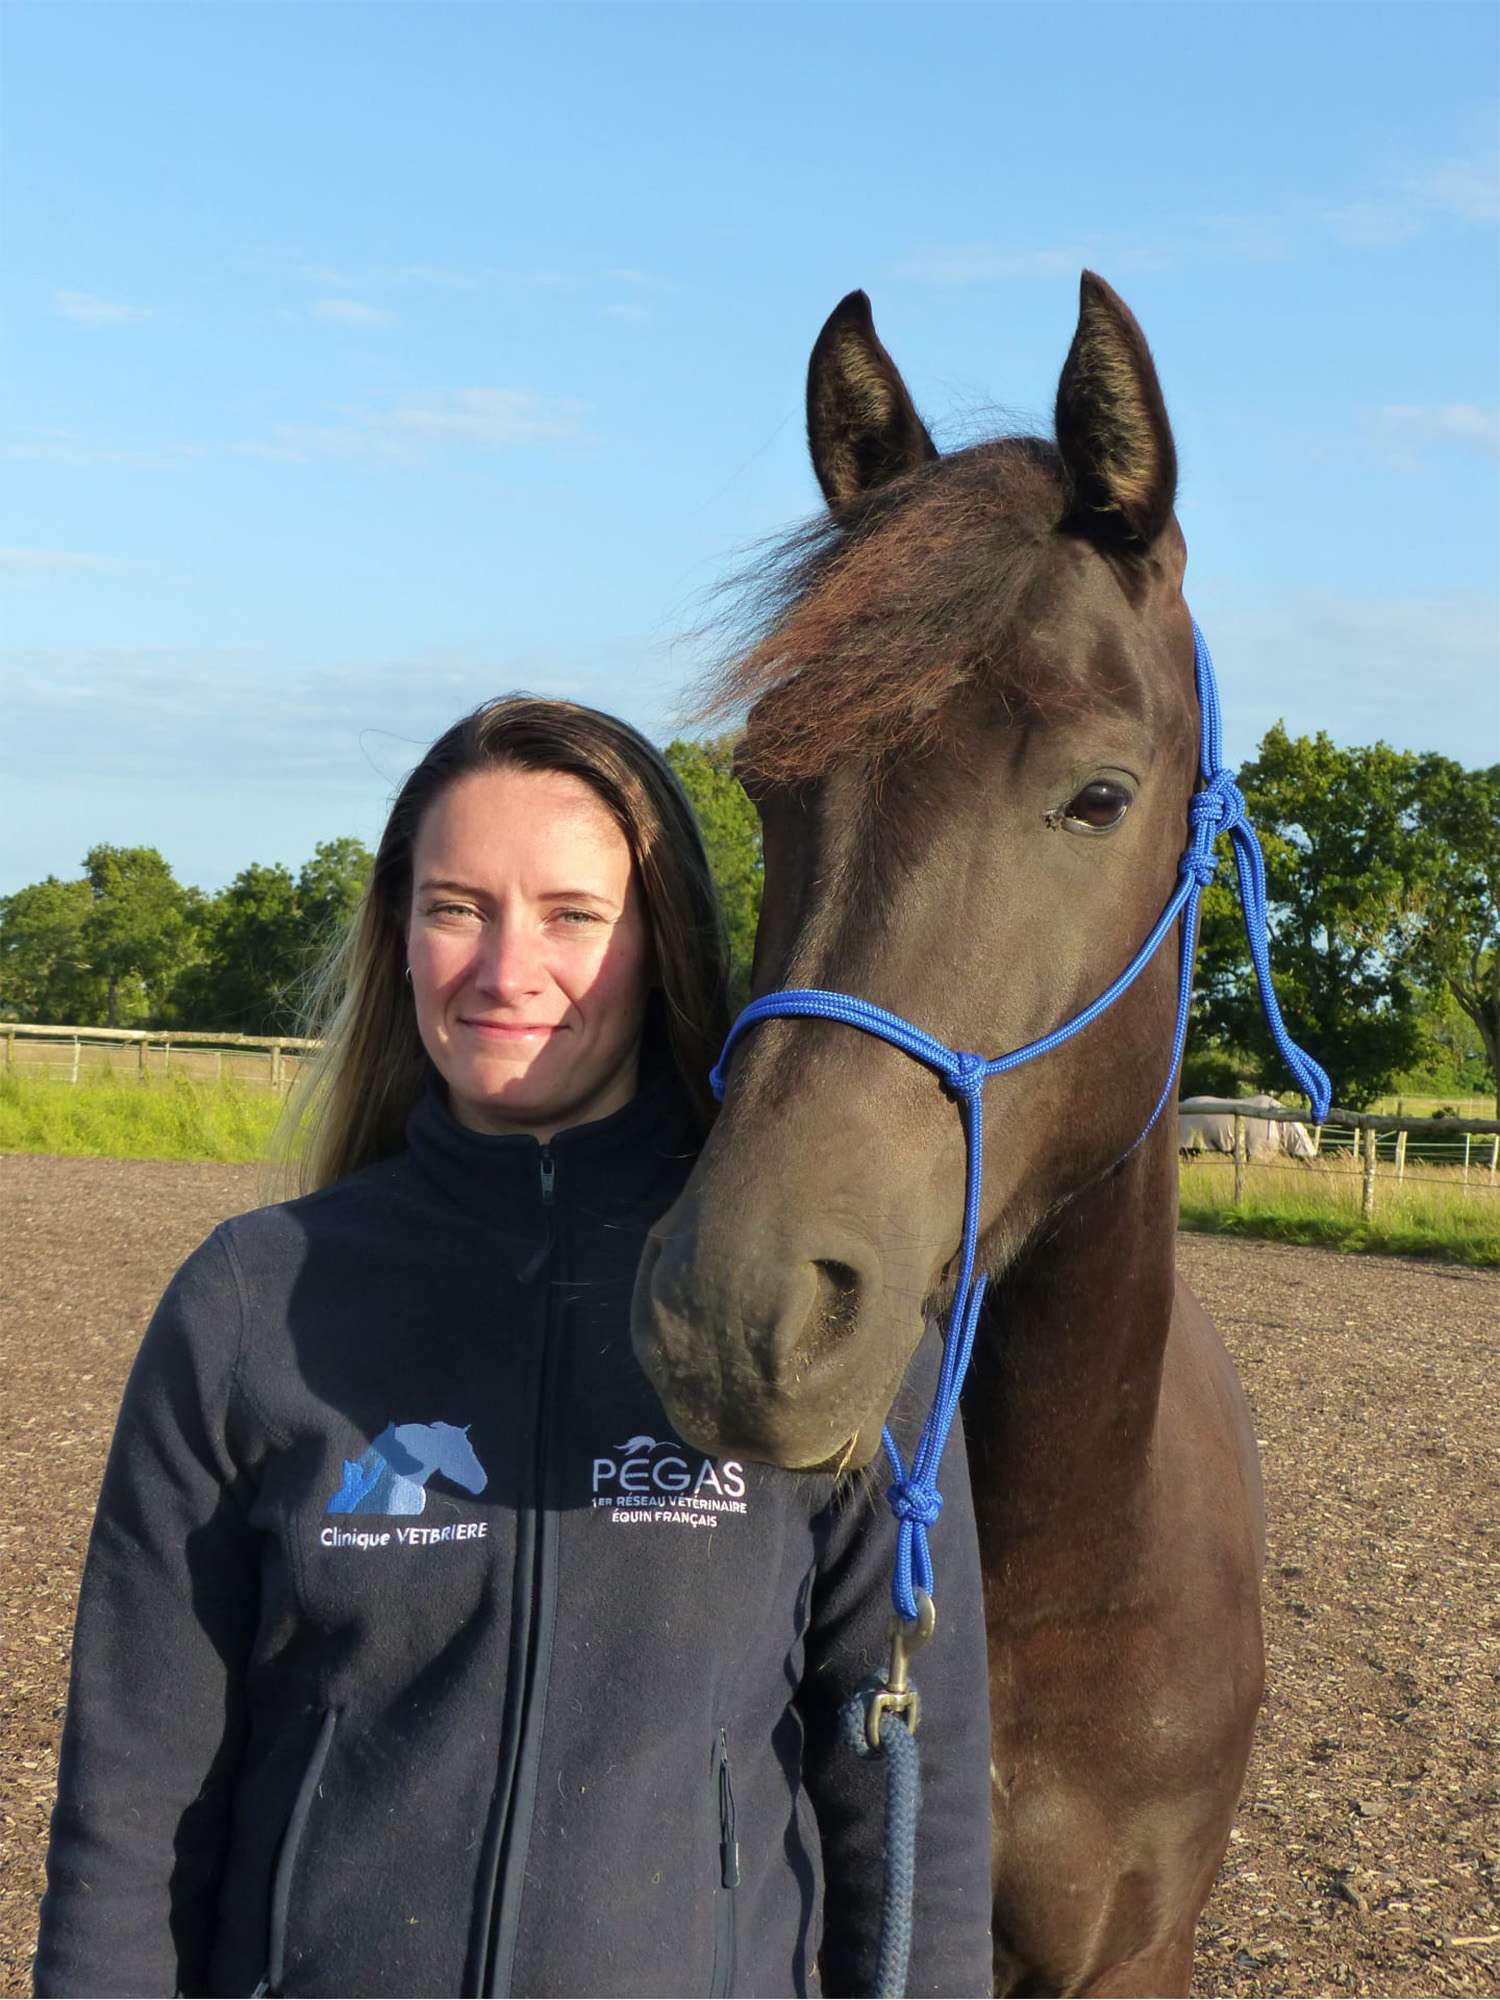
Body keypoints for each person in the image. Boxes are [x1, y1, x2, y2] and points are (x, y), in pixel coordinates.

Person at [34, 696, 995, 1999]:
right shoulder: (248, 1309)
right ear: (400, 935)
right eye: (454, 907)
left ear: (662, 943)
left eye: (571, 915)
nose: (505, 967)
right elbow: (131, 1813)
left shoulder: (810, 1324)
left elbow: (912, 1816)